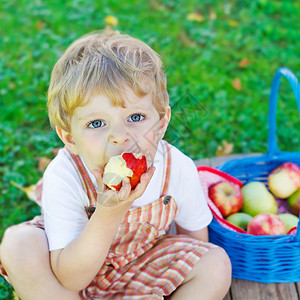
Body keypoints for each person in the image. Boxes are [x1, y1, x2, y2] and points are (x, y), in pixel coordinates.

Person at [0, 30, 231, 299]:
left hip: (143, 269)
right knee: (18, 245)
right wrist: (108, 214)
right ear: (69, 138)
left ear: (162, 122)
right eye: (96, 123)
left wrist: (183, 276)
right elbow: (71, 278)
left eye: (135, 117)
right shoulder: (65, 176)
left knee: (216, 263)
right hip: (71, 278)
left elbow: (195, 241)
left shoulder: (176, 168)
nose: (120, 136)